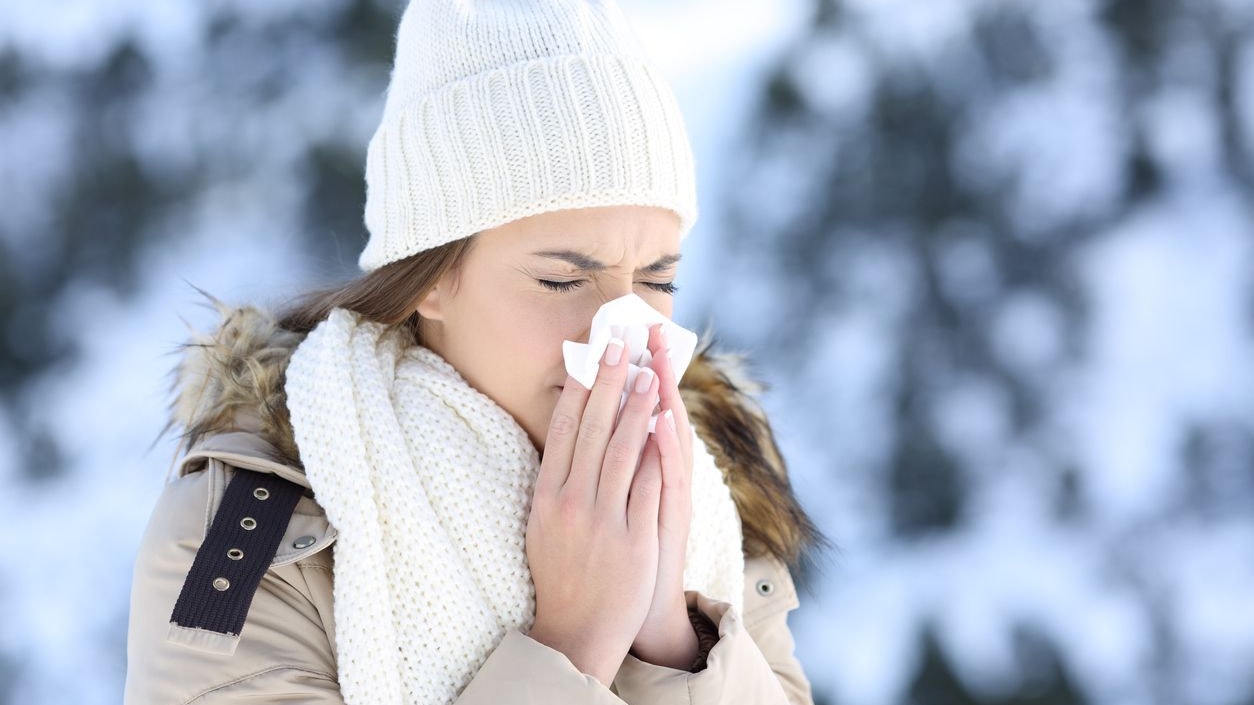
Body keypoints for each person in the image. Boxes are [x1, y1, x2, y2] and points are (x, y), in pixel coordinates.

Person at [123, 0, 826, 702]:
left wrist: (670, 635)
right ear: (431, 277)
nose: (624, 337)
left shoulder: (706, 492)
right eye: (563, 280)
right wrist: (574, 643)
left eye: (657, 281)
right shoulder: (251, 531)